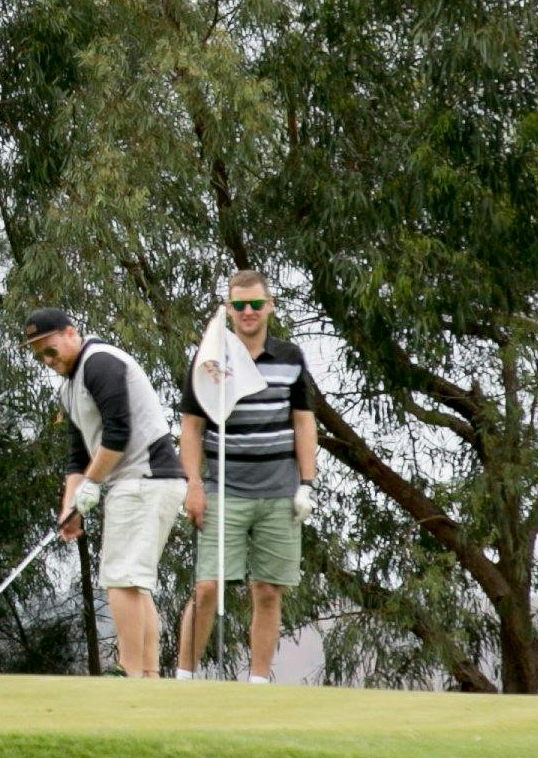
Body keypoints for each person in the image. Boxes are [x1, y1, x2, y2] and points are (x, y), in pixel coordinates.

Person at [25, 304, 189, 678]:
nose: (48, 360)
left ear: (71, 333)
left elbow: (118, 436)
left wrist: (91, 486)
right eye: (40, 356)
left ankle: (130, 672)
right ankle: (146, 676)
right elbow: (77, 456)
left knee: (120, 577)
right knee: (132, 581)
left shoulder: (100, 363)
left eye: (51, 349)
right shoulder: (68, 388)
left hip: (145, 476)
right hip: (135, 482)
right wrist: (71, 507)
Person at [178, 270, 326, 682]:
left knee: (267, 590)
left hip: (279, 490)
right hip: (223, 488)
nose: (247, 312)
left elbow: (303, 422)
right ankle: (183, 679)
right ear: (228, 308)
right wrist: (192, 484)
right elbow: (190, 427)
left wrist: (307, 484)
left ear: (269, 307)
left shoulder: (290, 357)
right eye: (239, 305)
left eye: (256, 304)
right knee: (207, 587)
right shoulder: (210, 358)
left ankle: (259, 683)